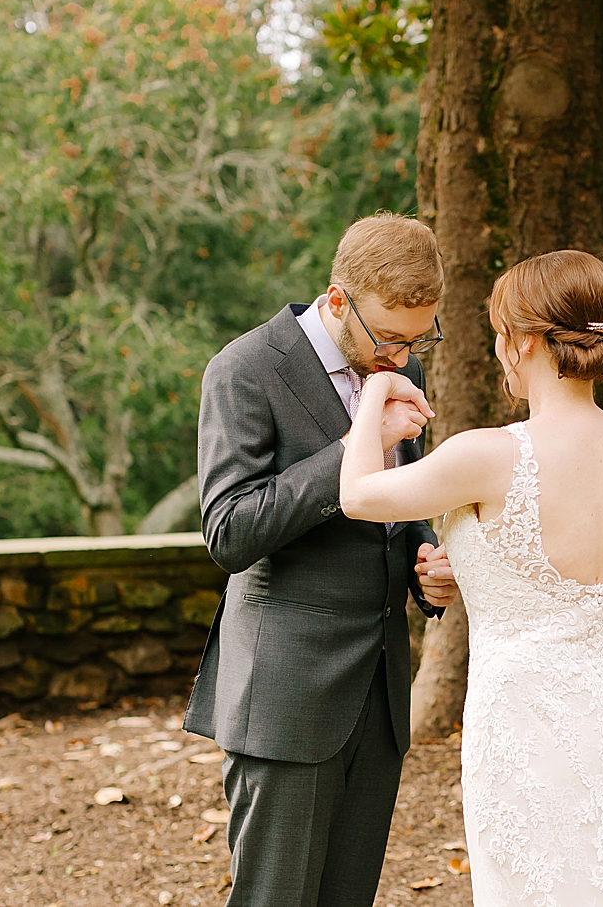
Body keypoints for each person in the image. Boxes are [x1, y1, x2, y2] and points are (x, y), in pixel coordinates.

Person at [338, 249, 603, 903]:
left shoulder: (489, 454)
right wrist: (476, 568)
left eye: (499, 330)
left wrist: (374, 390)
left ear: (526, 340)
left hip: (523, 724)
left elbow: (358, 494)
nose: (497, 346)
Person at [181, 213, 461, 907]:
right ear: (337, 301)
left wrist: (428, 563)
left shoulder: (401, 366)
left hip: (380, 692)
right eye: (390, 336)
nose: (402, 356)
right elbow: (229, 531)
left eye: (418, 336)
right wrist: (350, 450)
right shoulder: (244, 369)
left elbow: (398, 505)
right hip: (286, 694)